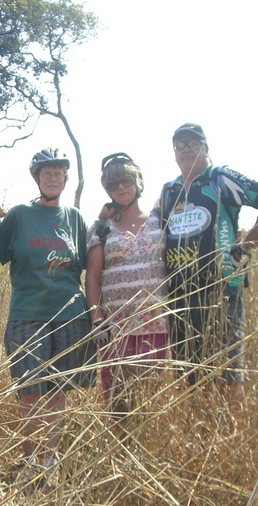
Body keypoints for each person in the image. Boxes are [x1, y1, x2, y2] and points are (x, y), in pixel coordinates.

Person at [157, 123, 258, 410]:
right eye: (180, 145)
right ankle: (199, 437)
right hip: (180, 296)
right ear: (174, 152)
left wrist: (245, 249)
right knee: (189, 371)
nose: (186, 150)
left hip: (222, 290)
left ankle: (231, 440)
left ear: (206, 147)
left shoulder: (220, 178)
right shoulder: (170, 190)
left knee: (229, 371)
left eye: (193, 143)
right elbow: (151, 226)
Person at [0, 148, 96, 480]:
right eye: (46, 173)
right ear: (37, 177)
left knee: (57, 392)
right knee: (30, 390)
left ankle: (49, 462)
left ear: (65, 178)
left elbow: (86, 267)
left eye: (58, 173)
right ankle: (30, 461)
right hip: (27, 315)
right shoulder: (20, 215)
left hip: (70, 314)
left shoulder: (76, 217)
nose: (52, 178)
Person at [86, 152, 168, 421]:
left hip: (157, 328)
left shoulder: (161, 220)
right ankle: (118, 459)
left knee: (153, 400)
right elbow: (94, 277)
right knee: (118, 403)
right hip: (116, 330)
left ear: (138, 181)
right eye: (112, 185)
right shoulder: (101, 228)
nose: (120, 187)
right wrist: (98, 321)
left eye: (125, 180)